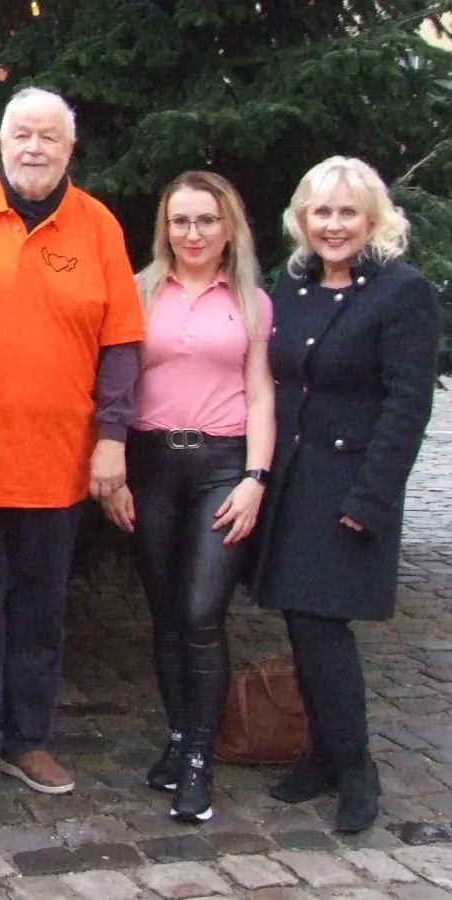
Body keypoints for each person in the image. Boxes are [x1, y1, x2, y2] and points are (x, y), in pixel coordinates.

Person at [0, 86, 146, 807]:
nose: (34, 147)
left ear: (70, 149)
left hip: (60, 461)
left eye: (49, 136)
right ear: (1, 142)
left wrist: (111, 439)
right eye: (22, 134)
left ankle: (28, 738)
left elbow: (120, 343)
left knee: (40, 611)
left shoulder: (98, 226)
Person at [255, 156, 440, 834]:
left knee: (320, 625)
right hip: (295, 482)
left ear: (374, 219)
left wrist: (371, 499)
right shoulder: (295, 285)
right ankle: (323, 756)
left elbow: (407, 405)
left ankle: (355, 767)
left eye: (347, 213)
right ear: (303, 220)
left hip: (351, 485)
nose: (333, 226)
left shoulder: (402, 292)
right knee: (301, 622)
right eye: (321, 213)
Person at [98, 172, 274, 824]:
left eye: (205, 220)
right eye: (180, 221)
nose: (192, 234)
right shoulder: (139, 292)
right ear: (164, 228)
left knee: (202, 612)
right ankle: (177, 736)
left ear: (229, 228)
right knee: (167, 611)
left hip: (223, 467)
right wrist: (113, 475)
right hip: (151, 465)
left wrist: (256, 478)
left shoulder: (252, 300)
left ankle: (200, 760)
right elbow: (116, 383)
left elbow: (261, 395)